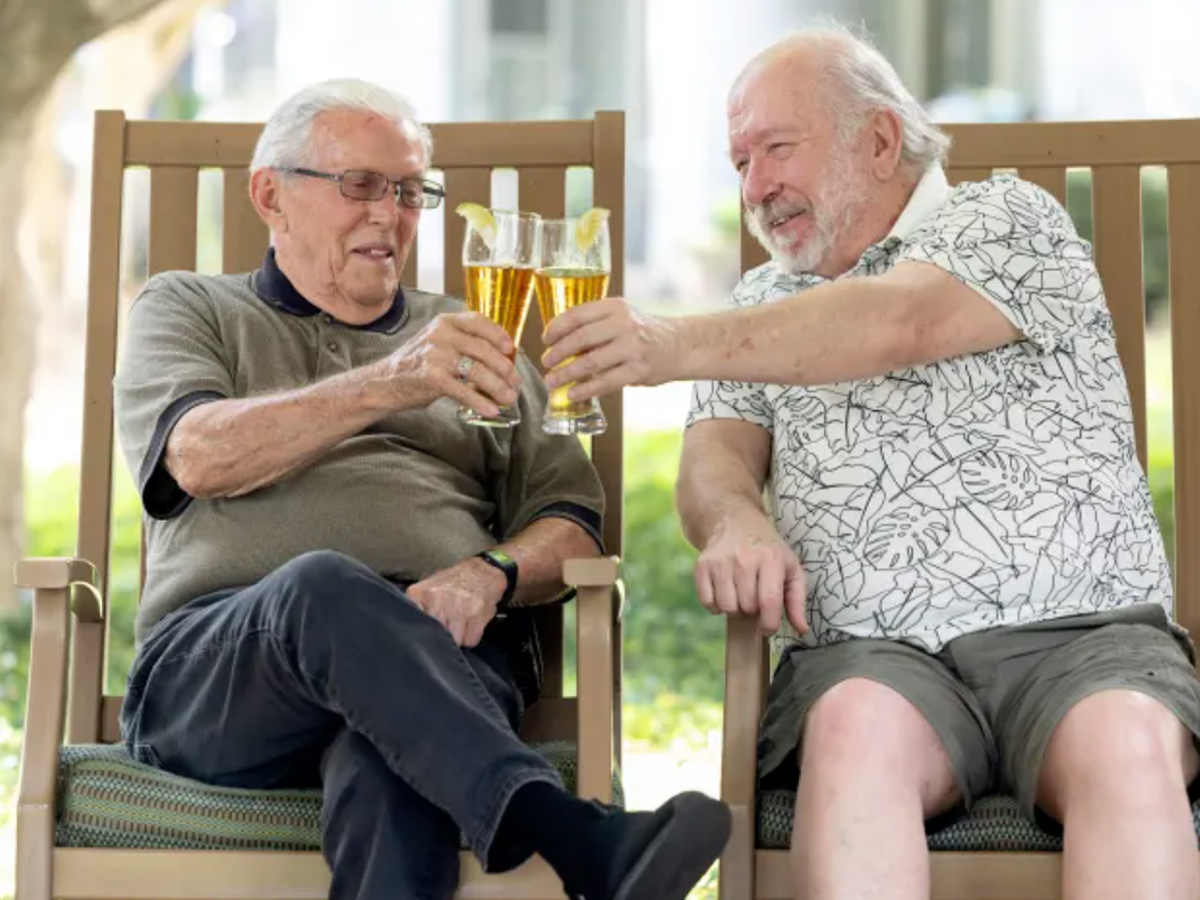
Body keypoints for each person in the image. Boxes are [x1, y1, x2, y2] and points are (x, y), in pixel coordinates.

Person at [540, 26, 1196, 900]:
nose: (756, 187)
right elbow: (715, 455)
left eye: (777, 149)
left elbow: (900, 322)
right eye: (740, 162)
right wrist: (736, 520)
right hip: (872, 656)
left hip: (1082, 641)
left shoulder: (1005, 218)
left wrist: (667, 342)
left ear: (881, 140)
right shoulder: (764, 299)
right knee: (851, 729)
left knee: (1125, 742)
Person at [114, 78, 730, 900]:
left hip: (441, 664)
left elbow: (572, 521)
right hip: (223, 671)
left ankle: (568, 835)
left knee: (390, 763)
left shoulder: (479, 340)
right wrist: (390, 381)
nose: (390, 214)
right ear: (271, 195)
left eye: (409, 192)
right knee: (323, 585)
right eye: (360, 185)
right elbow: (195, 456)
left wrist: (493, 574)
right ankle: (573, 836)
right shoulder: (190, 306)